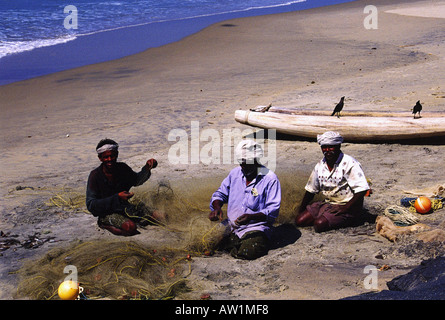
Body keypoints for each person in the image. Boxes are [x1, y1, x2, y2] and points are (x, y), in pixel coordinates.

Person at [209, 139, 281, 260]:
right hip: (231, 226)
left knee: (249, 251)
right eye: (241, 163)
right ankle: (232, 242)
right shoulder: (235, 174)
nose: (243, 167)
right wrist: (217, 208)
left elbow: (273, 210)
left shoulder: (270, 179)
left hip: (256, 227)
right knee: (208, 241)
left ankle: (232, 244)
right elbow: (220, 194)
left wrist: (251, 217)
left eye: (247, 163)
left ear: (256, 161)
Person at [295, 131, 370, 233]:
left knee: (319, 224)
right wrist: (301, 210)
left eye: (331, 147)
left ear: (338, 146)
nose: (327, 150)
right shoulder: (320, 165)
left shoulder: (349, 163)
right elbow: (311, 190)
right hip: (329, 204)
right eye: (324, 147)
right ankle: (328, 216)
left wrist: (345, 208)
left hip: (348, 206)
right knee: (299, 221)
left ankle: (351, 218)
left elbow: (362, 190)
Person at [86, 138, 159, 236]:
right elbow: (91, 204)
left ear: (117, 155)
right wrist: (117, 198)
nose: (110, 159)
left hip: (125, 208)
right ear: (100, 158)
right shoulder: (95, 176)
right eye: (106, 157)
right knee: (130, 228)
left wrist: (147, 167)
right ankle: (103, 224)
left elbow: (137, 180)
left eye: (112, 156)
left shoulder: (122, 168)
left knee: (159, 216)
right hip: (107, 213)